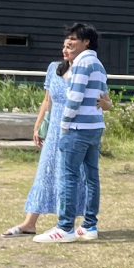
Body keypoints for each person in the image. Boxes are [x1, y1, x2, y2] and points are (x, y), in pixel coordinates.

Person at [2, 35, 111, 238]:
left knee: (74, 175)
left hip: (74, 126)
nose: (65, 49)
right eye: (64, 46)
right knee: (46, 171)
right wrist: (38, 126)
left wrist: (103, 104)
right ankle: (29, 222)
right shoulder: (54, 68)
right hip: (55, 127)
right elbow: (47, 100)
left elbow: (105, 100)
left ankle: (73, 224)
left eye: (70, 45)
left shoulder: (87, 68)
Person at [34, 23, 107, 243]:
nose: (69, 42)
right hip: (94, 127)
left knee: (69, 176)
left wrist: (64, 124)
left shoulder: (81, 65)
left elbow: (74, 97)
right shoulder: (98, 64)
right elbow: (103, 98)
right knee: (91, 177)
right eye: (68, 39)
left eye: (74, 39)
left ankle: (65, 227)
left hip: (77, 129)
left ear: (86, 42)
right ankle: (89, 225)